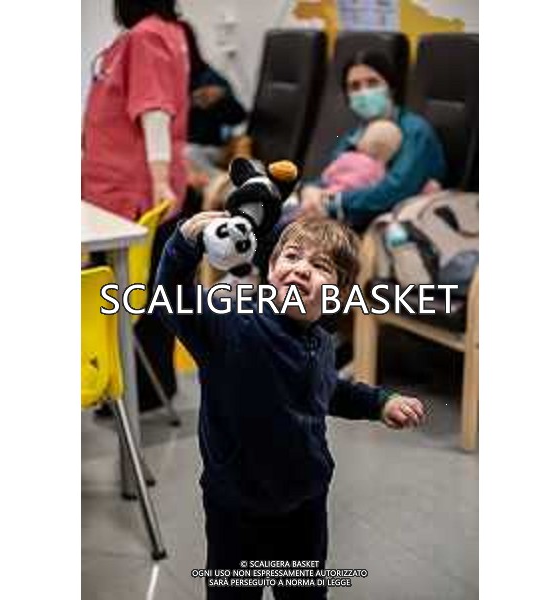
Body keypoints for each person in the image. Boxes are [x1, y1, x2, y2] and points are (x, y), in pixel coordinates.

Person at [154, 213, 425, 599]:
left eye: (320, 266)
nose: (301, 268)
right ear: (271, 267)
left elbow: (327, 391)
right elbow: (171, 297)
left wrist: (381, 402)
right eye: (292, 256)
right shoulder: (231, 327)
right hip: (237, 506)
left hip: (305, 501)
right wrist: (184, 243)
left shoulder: (321, 340)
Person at [82, 0, 190, 411]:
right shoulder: (161, 33)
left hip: (129, 194)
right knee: (146, 292)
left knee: (128, 292)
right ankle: (144, 388)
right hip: (120, 189)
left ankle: (133, 391)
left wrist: (159, 181)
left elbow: (155, 111)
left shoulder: (146, 37)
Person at [299, 50, 447, 232]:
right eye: (355, 86)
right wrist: (310, 190)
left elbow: (395, 190)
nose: (364, 92)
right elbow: (333, 173)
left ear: (391, 87)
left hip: (394, 228)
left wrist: (334, 200)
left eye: (372, 83)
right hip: (343, 219)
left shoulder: (416, 130)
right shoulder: (355, 132)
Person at [179, 20, 248, 181]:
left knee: (186, 153)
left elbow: (239, 116)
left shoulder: (209, 79)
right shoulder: (164, 80)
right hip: (177, 149)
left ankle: (225, 186)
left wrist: (221, 100)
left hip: (205, 149)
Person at [321, 118, 403, 194]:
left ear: (364, 139)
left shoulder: (349, 157)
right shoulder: (381, 171)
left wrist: (326, 179)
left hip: (333, 191)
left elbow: (327, 174)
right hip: (356, 199)